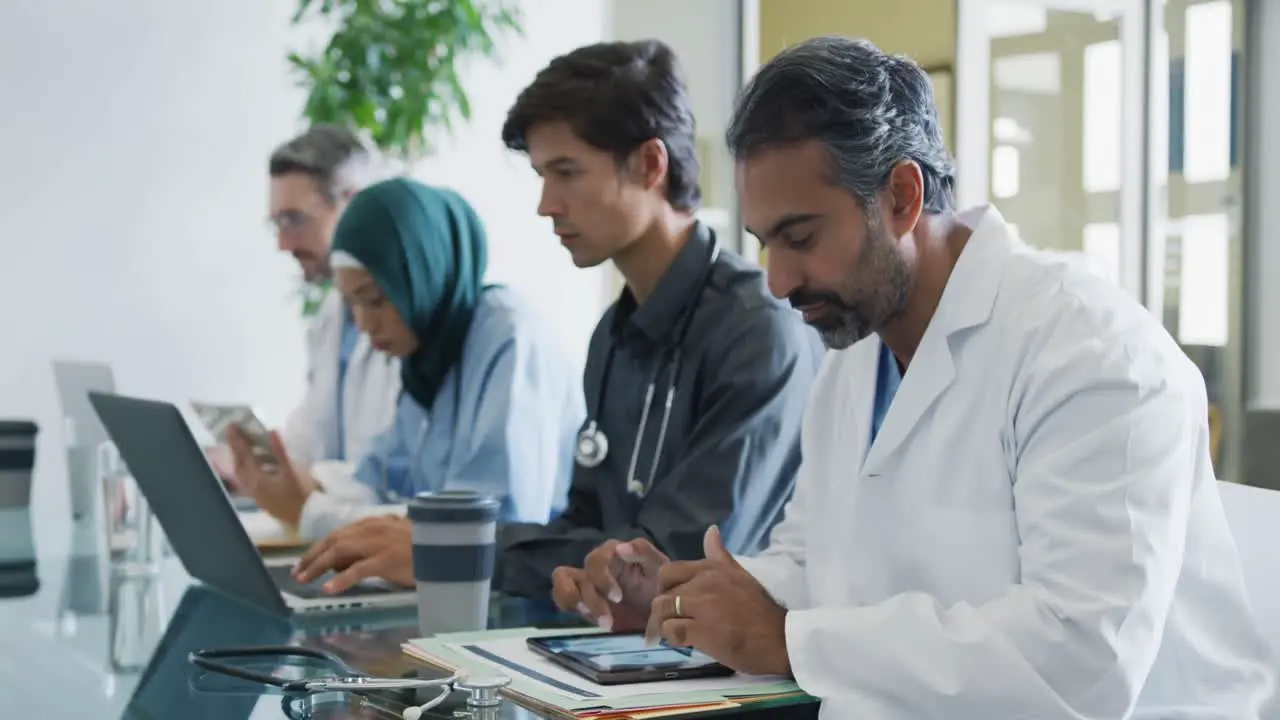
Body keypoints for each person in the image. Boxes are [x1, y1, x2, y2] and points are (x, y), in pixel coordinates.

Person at [550, 36, 1277, 718]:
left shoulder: (1093, 356)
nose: (776, 281)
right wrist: (687, 602)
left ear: (902, 196)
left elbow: (1083, 659)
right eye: (766, 243)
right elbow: (817, 565)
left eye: (800, 237)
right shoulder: (855, 358)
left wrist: (790, 640)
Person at [290, 39, 824, 600]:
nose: (546, 204)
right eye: (543, 175)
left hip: (721, 675)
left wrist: (454, 553)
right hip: (615, 656)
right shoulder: (614, 335)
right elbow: (583, 534)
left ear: (649, 165)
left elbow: (672, 559)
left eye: (566, 173)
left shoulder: (757, 331)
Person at [229, 178, 584, 547]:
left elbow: (494, 526)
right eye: (353, 305)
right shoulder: (427, 360)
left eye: (376, 299)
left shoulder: (510, 340)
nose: (365, 325)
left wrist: (313, 514)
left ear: (422, 274)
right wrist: (305, 484)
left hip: (523, 597)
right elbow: (383, 479)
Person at [208, 126, 400, 484]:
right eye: (277, 224)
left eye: (294, 219)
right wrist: (240, 460)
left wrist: (305, 480)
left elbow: (391, 470)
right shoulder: (332, 313)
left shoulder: (407, 318)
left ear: (352, 205)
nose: (283, 243)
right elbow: (312, 436)